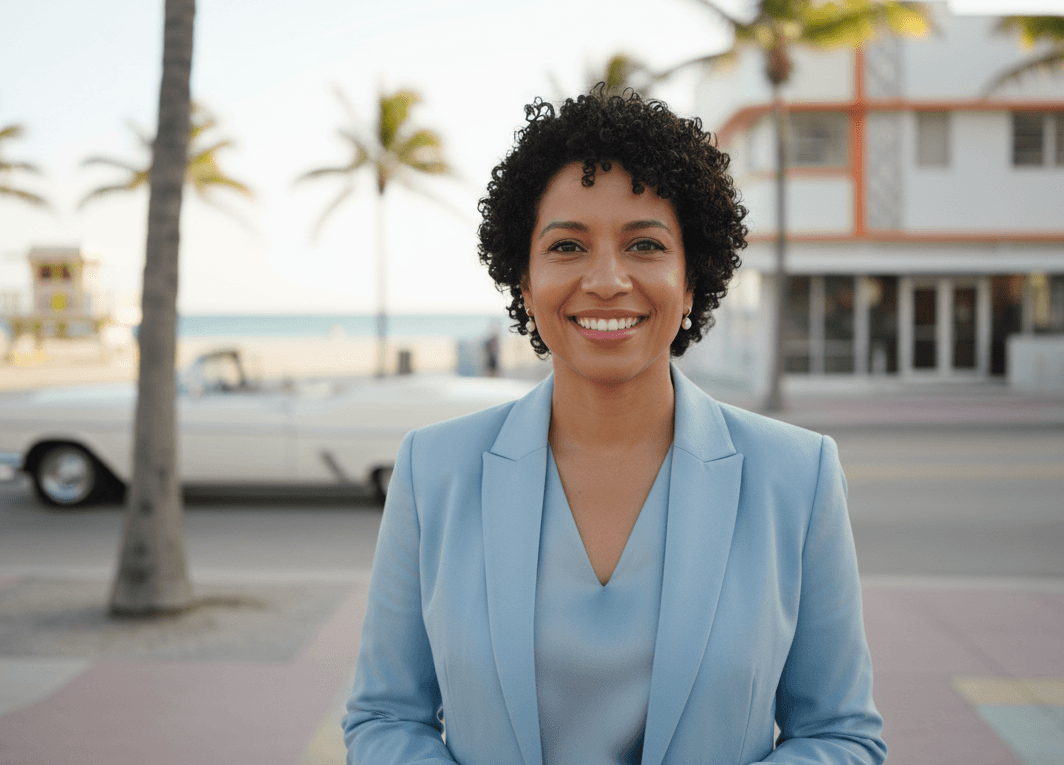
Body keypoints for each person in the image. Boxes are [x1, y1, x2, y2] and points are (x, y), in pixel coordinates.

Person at [343, 89, 884, 765]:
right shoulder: (434, 470)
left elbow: (840, 734)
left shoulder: (797, 476)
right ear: (524, 278)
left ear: (691, 282)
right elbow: (386, 717)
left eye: (645, 245)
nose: (605, 279)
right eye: (567, 245)